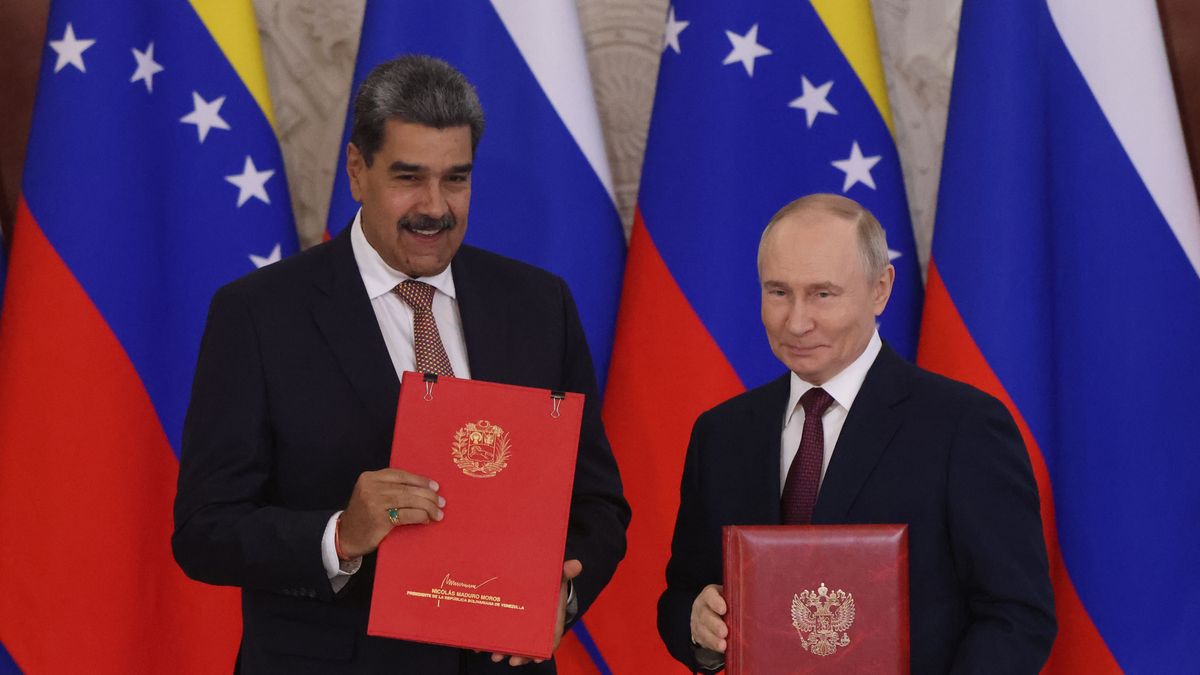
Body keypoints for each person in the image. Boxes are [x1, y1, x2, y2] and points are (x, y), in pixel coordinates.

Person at [172, 55, 629, 674]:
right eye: (409, 178)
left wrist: (560, 595)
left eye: (455, 179)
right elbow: (205, 530)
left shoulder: (539, 305)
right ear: (357, 171)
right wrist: (340, 534)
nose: (434, 207)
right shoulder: (258, 315)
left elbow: (597, 503)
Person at [657, 194, 1056, 673]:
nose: (797, 322)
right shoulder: (721, 433)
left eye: (823, 294)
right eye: (779, 292)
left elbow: (1016, 616)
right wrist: (697, 625)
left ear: (880, 289)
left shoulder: (964, 427)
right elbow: (682, 593)